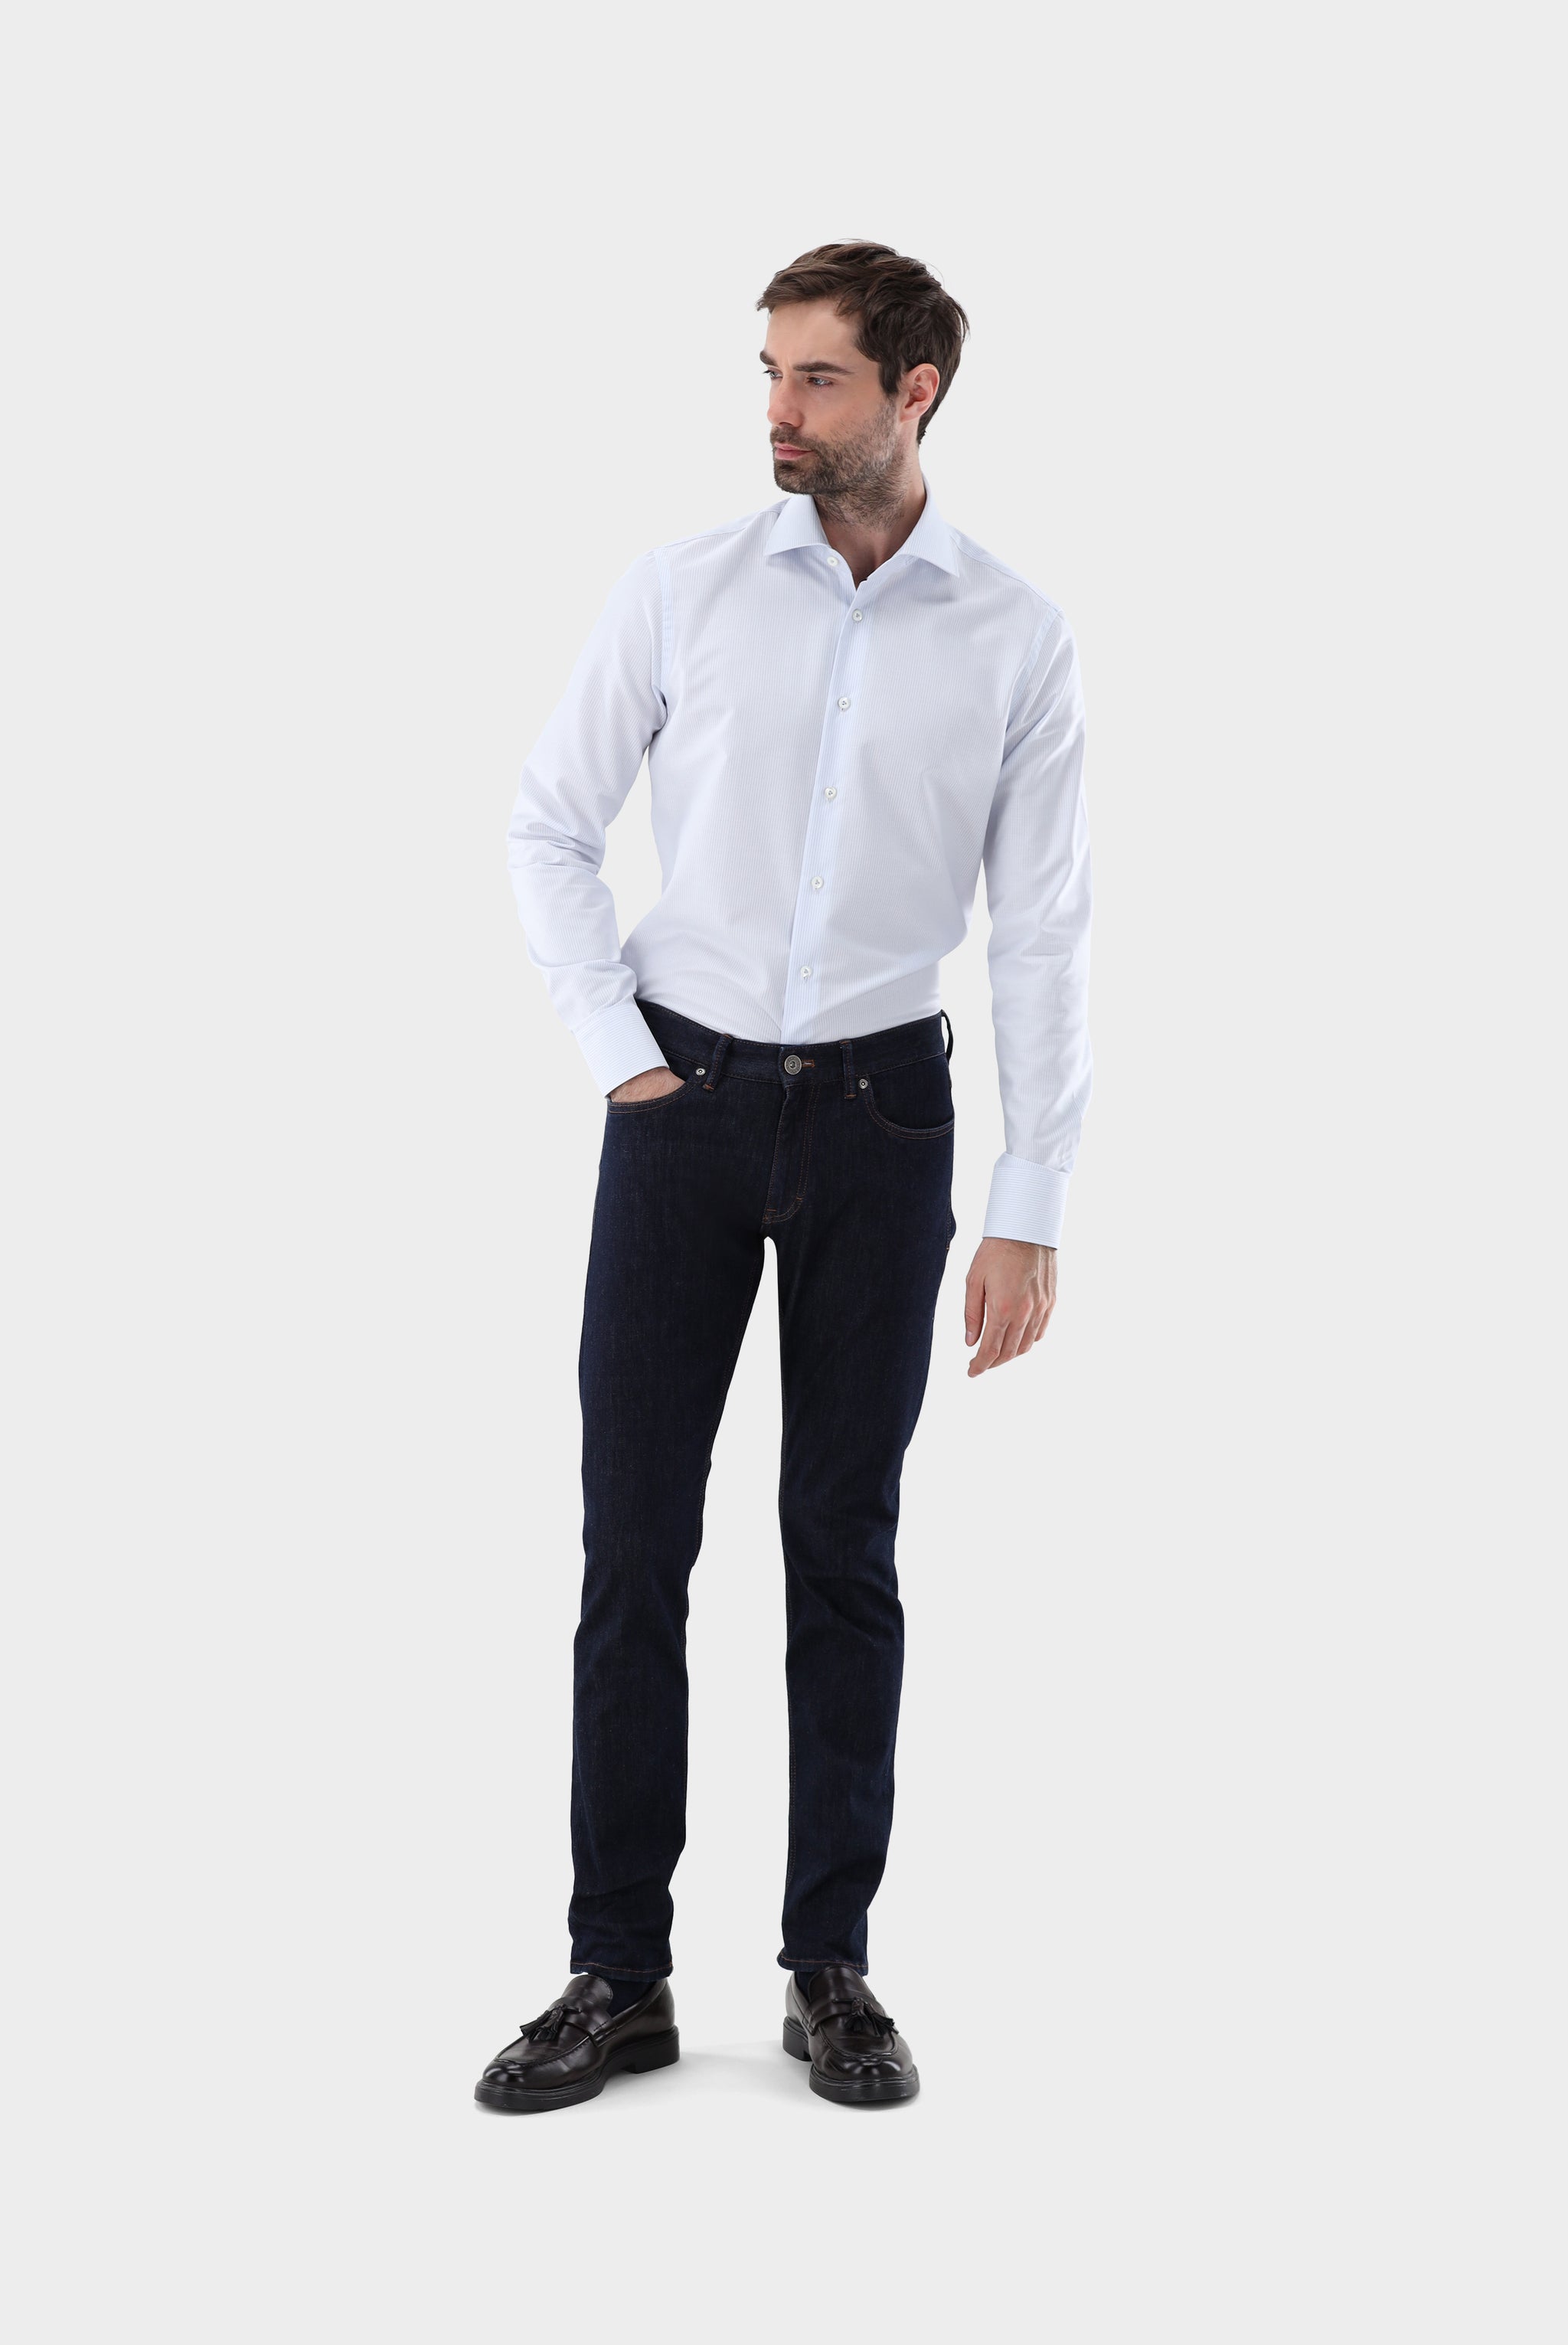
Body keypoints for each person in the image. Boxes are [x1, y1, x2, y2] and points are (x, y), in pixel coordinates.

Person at [475, 241, 1092, 2113]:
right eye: (768, 371)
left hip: (886, 1120)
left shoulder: (1013, 634)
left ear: (915, 392)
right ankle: (616, 1972)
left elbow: (1040, 929)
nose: (777, 408)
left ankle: (832, 1964)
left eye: (816, 377)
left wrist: (1029, 1198)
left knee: (844, 1547)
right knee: (631, 1548)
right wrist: (622, 1054)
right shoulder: (683, 590)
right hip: (683, 1103)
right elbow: (546, 823)